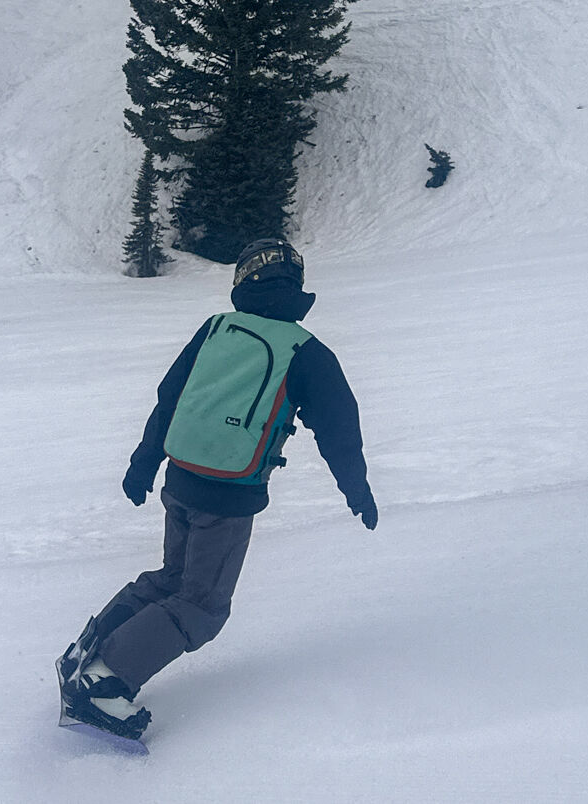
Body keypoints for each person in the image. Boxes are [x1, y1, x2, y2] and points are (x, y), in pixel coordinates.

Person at [56, 239, 378, 741]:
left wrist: (145, 462)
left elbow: (171, 397)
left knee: (171, 578)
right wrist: (356, 489)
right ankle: (103, 682)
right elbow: (339, 427)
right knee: (202, 604)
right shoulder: (307, 352)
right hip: (227, 499)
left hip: (180, 478)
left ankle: (89, 651)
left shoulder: (215, 330)